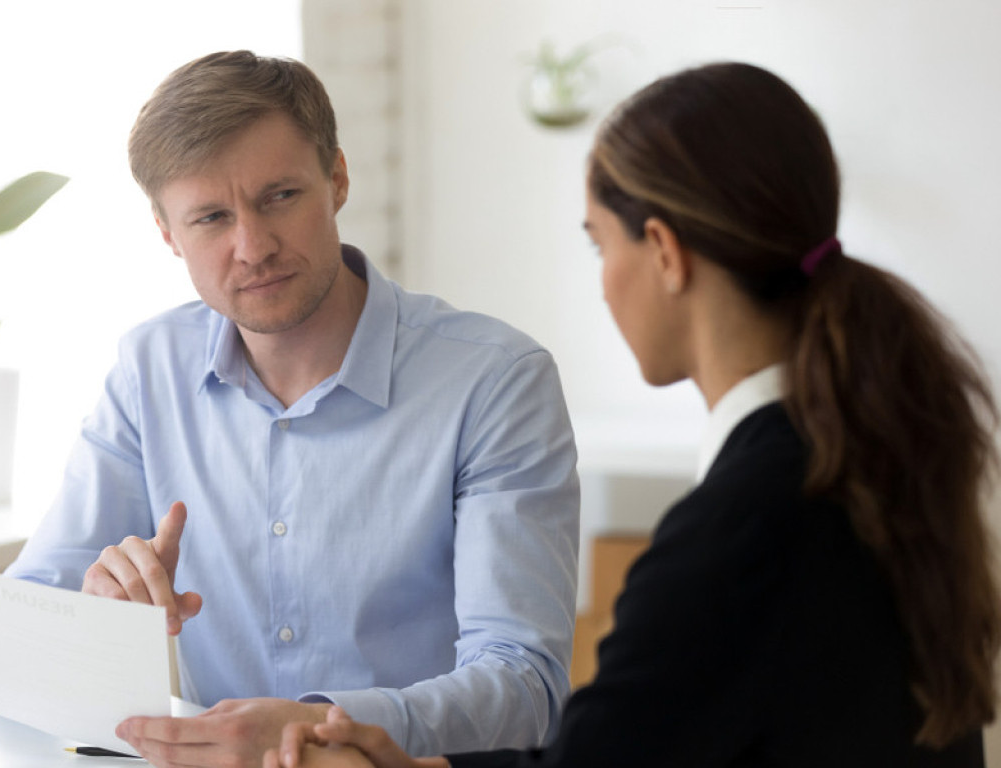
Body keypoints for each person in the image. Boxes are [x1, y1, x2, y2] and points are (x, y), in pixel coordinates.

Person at [266, 61, 1001, 768]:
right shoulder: (863, 456)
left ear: (664, 252)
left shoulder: (743, 527)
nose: (605, 284)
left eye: (599, 244)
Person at [3, 50, 581, 767]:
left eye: (279, 196)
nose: (253, 248)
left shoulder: (494, 381)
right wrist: (94, 618)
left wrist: (317, 728)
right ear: (167, 233)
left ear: (337, 179)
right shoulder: (149, 369)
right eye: (211, 217)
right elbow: (27, 618)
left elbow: (525, 684)